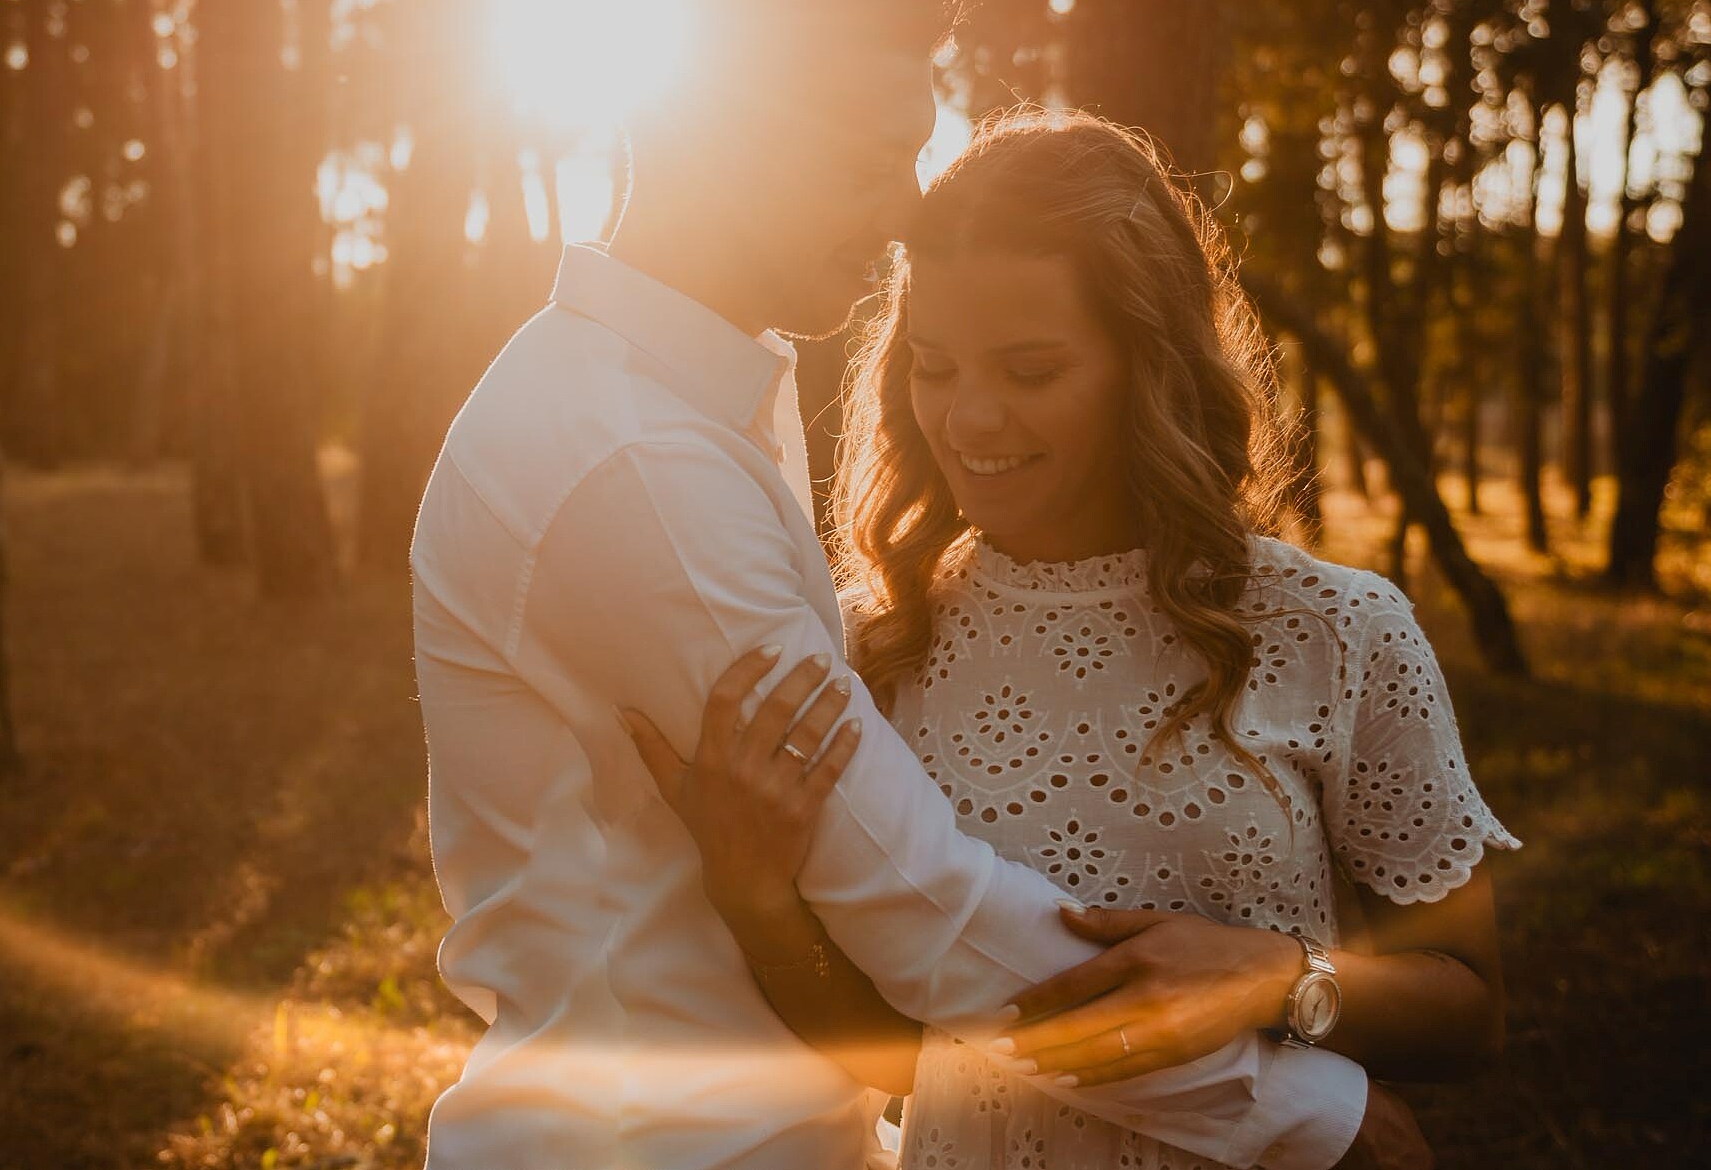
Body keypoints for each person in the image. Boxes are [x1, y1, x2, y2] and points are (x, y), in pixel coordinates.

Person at [411, 0, 1406, 1170]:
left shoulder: (689, 393)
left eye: (910, 153)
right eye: (862, 158)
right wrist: (1304, 1116)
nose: (900, 208)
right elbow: (917, 900)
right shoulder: (636, 459)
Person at [624, 109, 1517, 1168]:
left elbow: (1467, 1013)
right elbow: (902, 1054)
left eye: (1030, 370)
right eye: (935, 366)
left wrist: (1276, 977)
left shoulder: (1335, 630)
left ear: (1148, 364)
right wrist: (755, 900)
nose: (968, 419)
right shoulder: (871, 643)